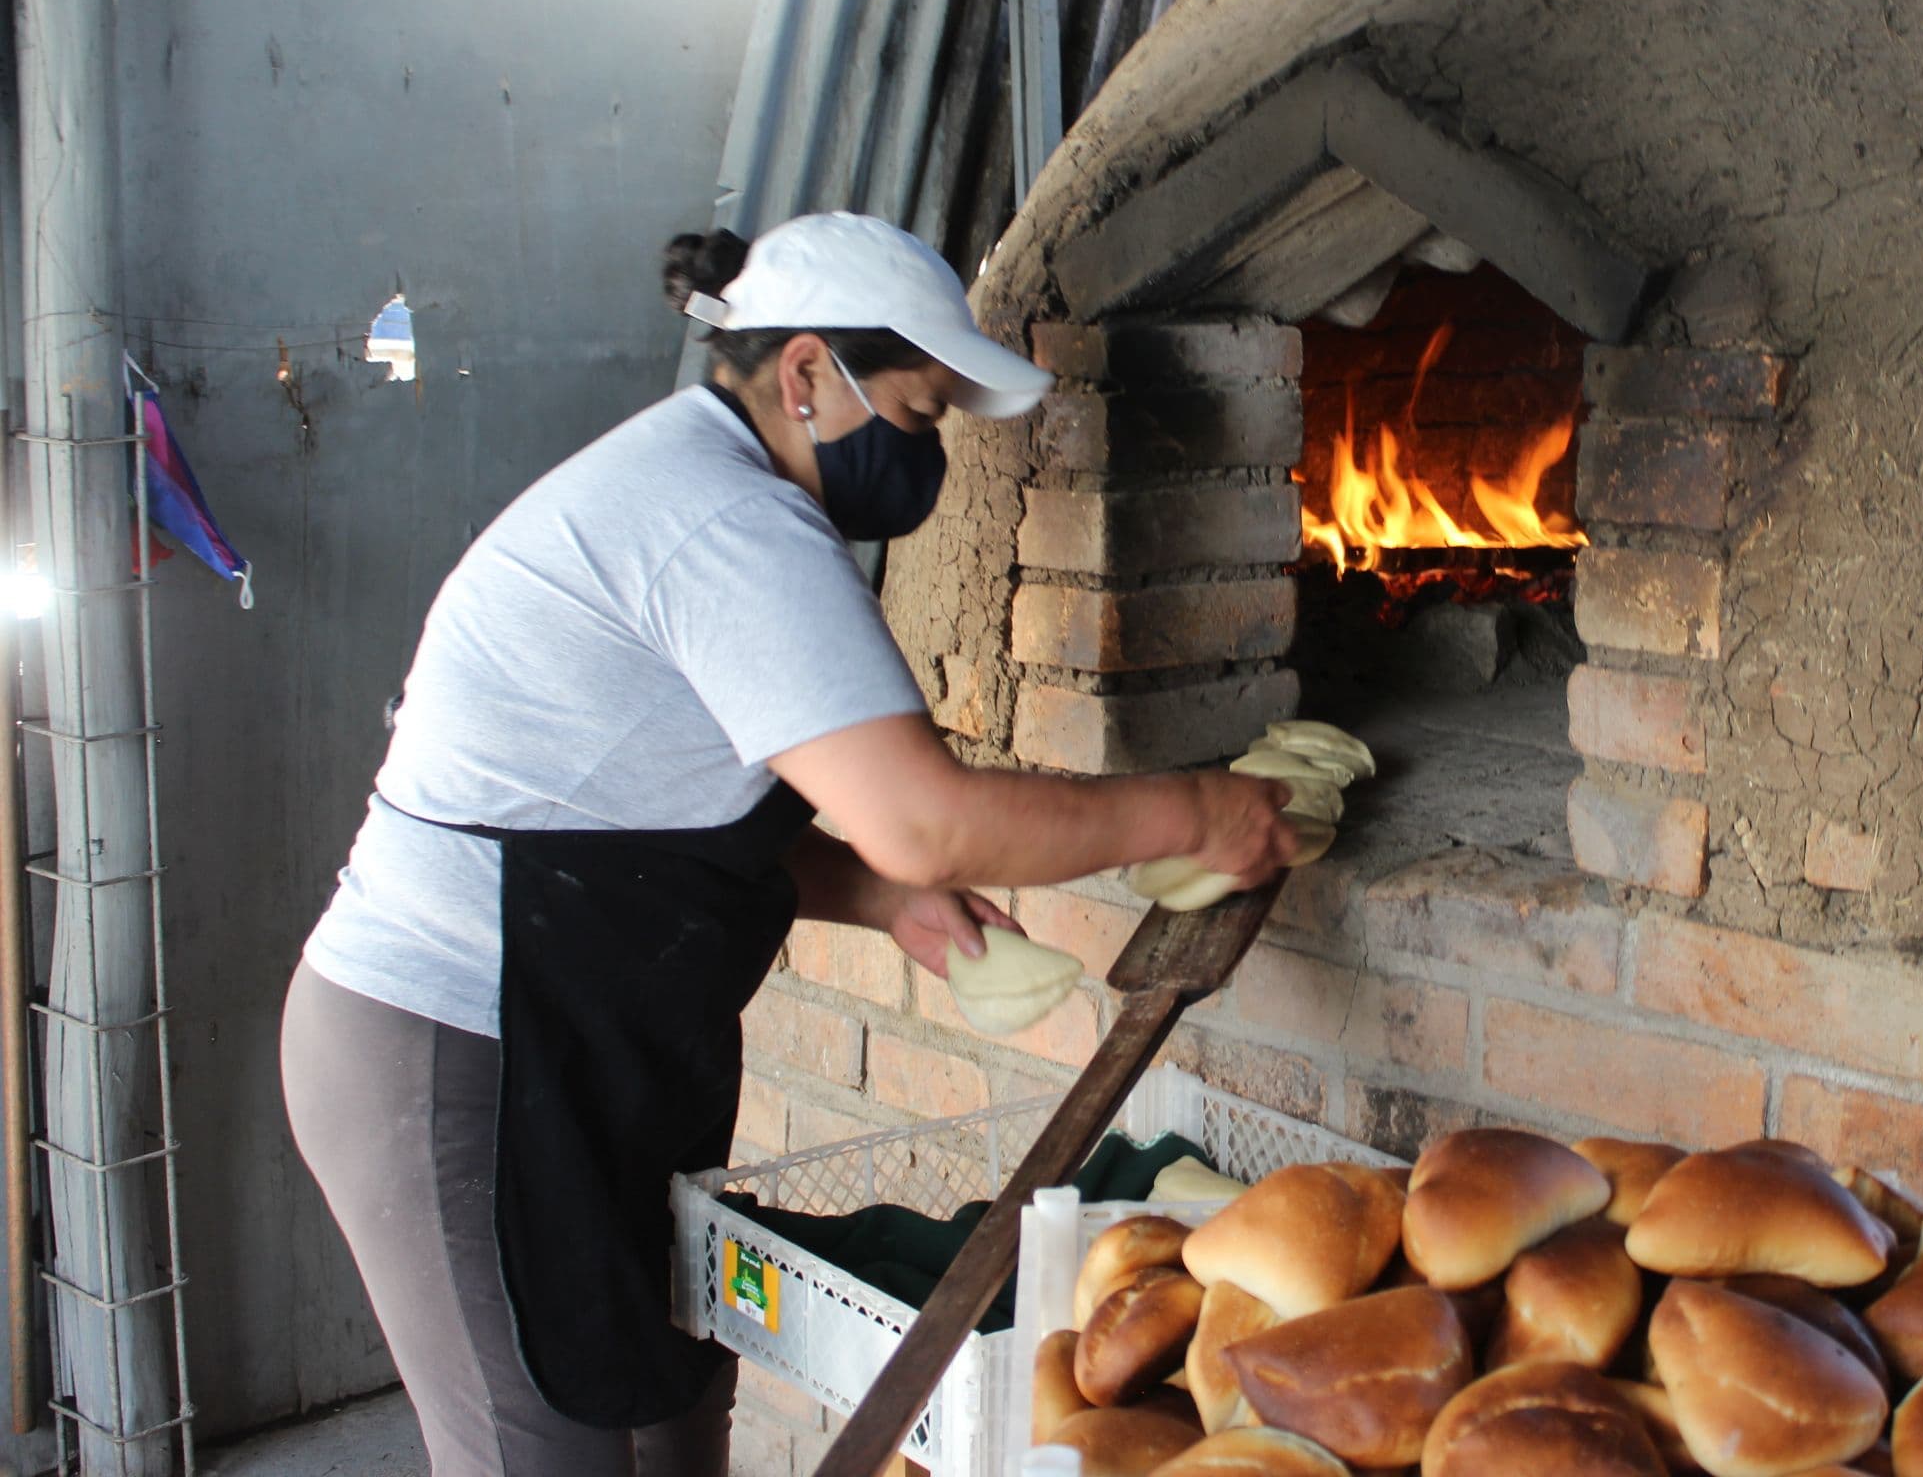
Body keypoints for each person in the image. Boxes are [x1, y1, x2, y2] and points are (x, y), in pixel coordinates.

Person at [280, 213, 1297, 1477]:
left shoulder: (710, 490)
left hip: (579, 1037)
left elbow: (649, 822)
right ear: (807, 372)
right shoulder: (722, 523)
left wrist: (879, 898)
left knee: (668, 1410)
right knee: (543, 1446)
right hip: (455, 1054)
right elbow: (926, 818)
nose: (927, 455)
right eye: (918, 415)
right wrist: (1197, 813)